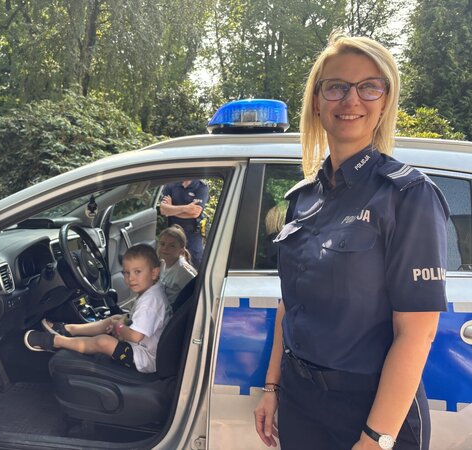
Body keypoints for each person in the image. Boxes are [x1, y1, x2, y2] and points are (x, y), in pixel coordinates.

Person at [253, 33, 449, 450]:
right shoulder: (302, 198)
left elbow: (416, 334)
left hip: (370, 409)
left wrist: (374, 440)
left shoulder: (407, 196)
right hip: (301, 401)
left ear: (385, 100)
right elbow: (290, 303)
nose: (351, 100)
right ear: (317, 101)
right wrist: (273, 387)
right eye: (337, 86)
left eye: (369, 87)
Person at [24, 244, 170, 374]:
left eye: (137, 272)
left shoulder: (150, 302)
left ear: (154, 273)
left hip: (145, 359)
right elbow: (139, 322)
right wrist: (120, 322)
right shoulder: (151, 292)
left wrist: (118, 327)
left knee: (103, 342)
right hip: (144, 346)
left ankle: (56, 341)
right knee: (114, 319)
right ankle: (68, 329)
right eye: (126, 273)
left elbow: (135, 336)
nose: (130, 278)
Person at [159, 179, 209, 267]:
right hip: (173, 234)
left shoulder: (201, 187)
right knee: (171, 263)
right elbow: (163, 210)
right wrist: (186, 208)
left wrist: (171, 209)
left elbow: (195, 213)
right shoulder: (171, 184)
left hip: (193, 234)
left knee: (195, 264)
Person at [157, 225, 197, 306]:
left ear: (181, 250)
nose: (165, 248)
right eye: (162, 244)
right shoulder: (163, 264)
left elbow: (196, 293)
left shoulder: (182, 271)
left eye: (172, 246)